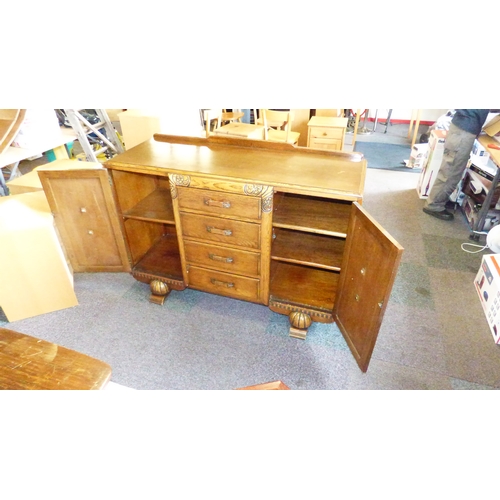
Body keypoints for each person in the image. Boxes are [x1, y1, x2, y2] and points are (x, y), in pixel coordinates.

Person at [423, 109, 500, 221]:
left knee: (452, 170)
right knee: (451, 171)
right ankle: (434, 205)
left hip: (462, 128)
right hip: (463, 131)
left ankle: (439, 199)